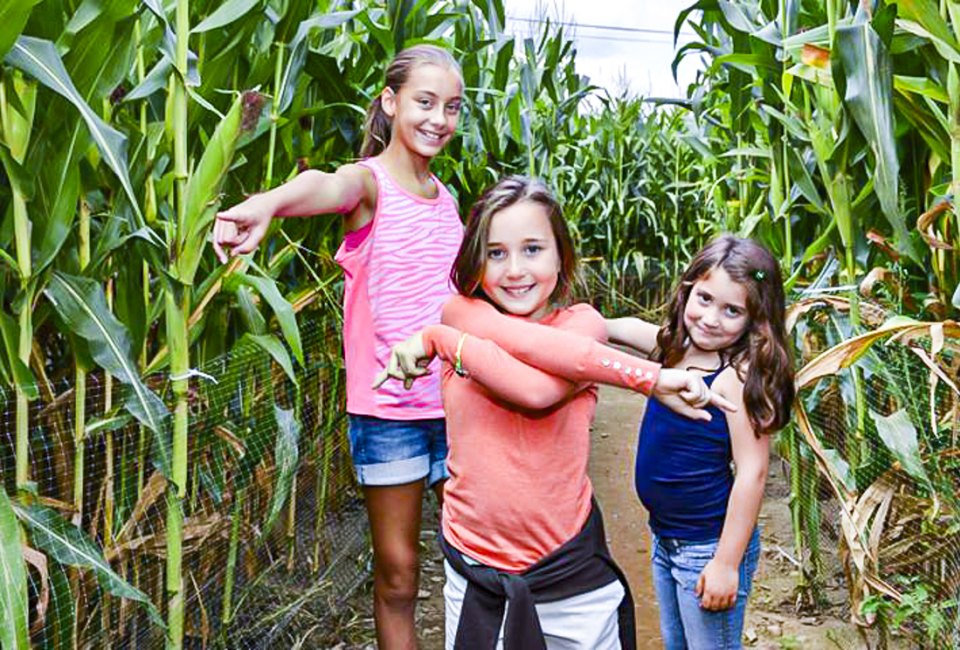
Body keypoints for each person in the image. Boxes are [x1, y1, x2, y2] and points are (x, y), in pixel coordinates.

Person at [374, 176, 737, 649]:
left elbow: (536, 391)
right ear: (475, 260)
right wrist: (445, 336)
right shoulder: (461, 314)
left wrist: (438, 343)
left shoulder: (582, 324)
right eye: (496, 252)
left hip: (569, 571)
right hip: (476, 569)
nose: (515, 270)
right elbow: (525, 354)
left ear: (561, 255)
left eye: (532, 249)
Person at [212, 44, 464, 650]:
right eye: (424, 102)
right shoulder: (369, 183)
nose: (438, 119)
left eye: (452, 107)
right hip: (390, 418)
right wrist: (268, 204)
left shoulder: (449, 199)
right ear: (390, 102)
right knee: (400, 577)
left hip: (458, 407)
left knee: (472, 569)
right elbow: (323, 185)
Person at [606, 235, 795, 649]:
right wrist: (588, 323)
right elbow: (630, 330)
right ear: (688, 289)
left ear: (755, 318)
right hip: (666, 538)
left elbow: (753, 472)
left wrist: (726, 563)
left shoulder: (737, 376)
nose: (711, 318)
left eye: (732, 310)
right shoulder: (677, 348)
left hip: (707, 549)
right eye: (704, 298)